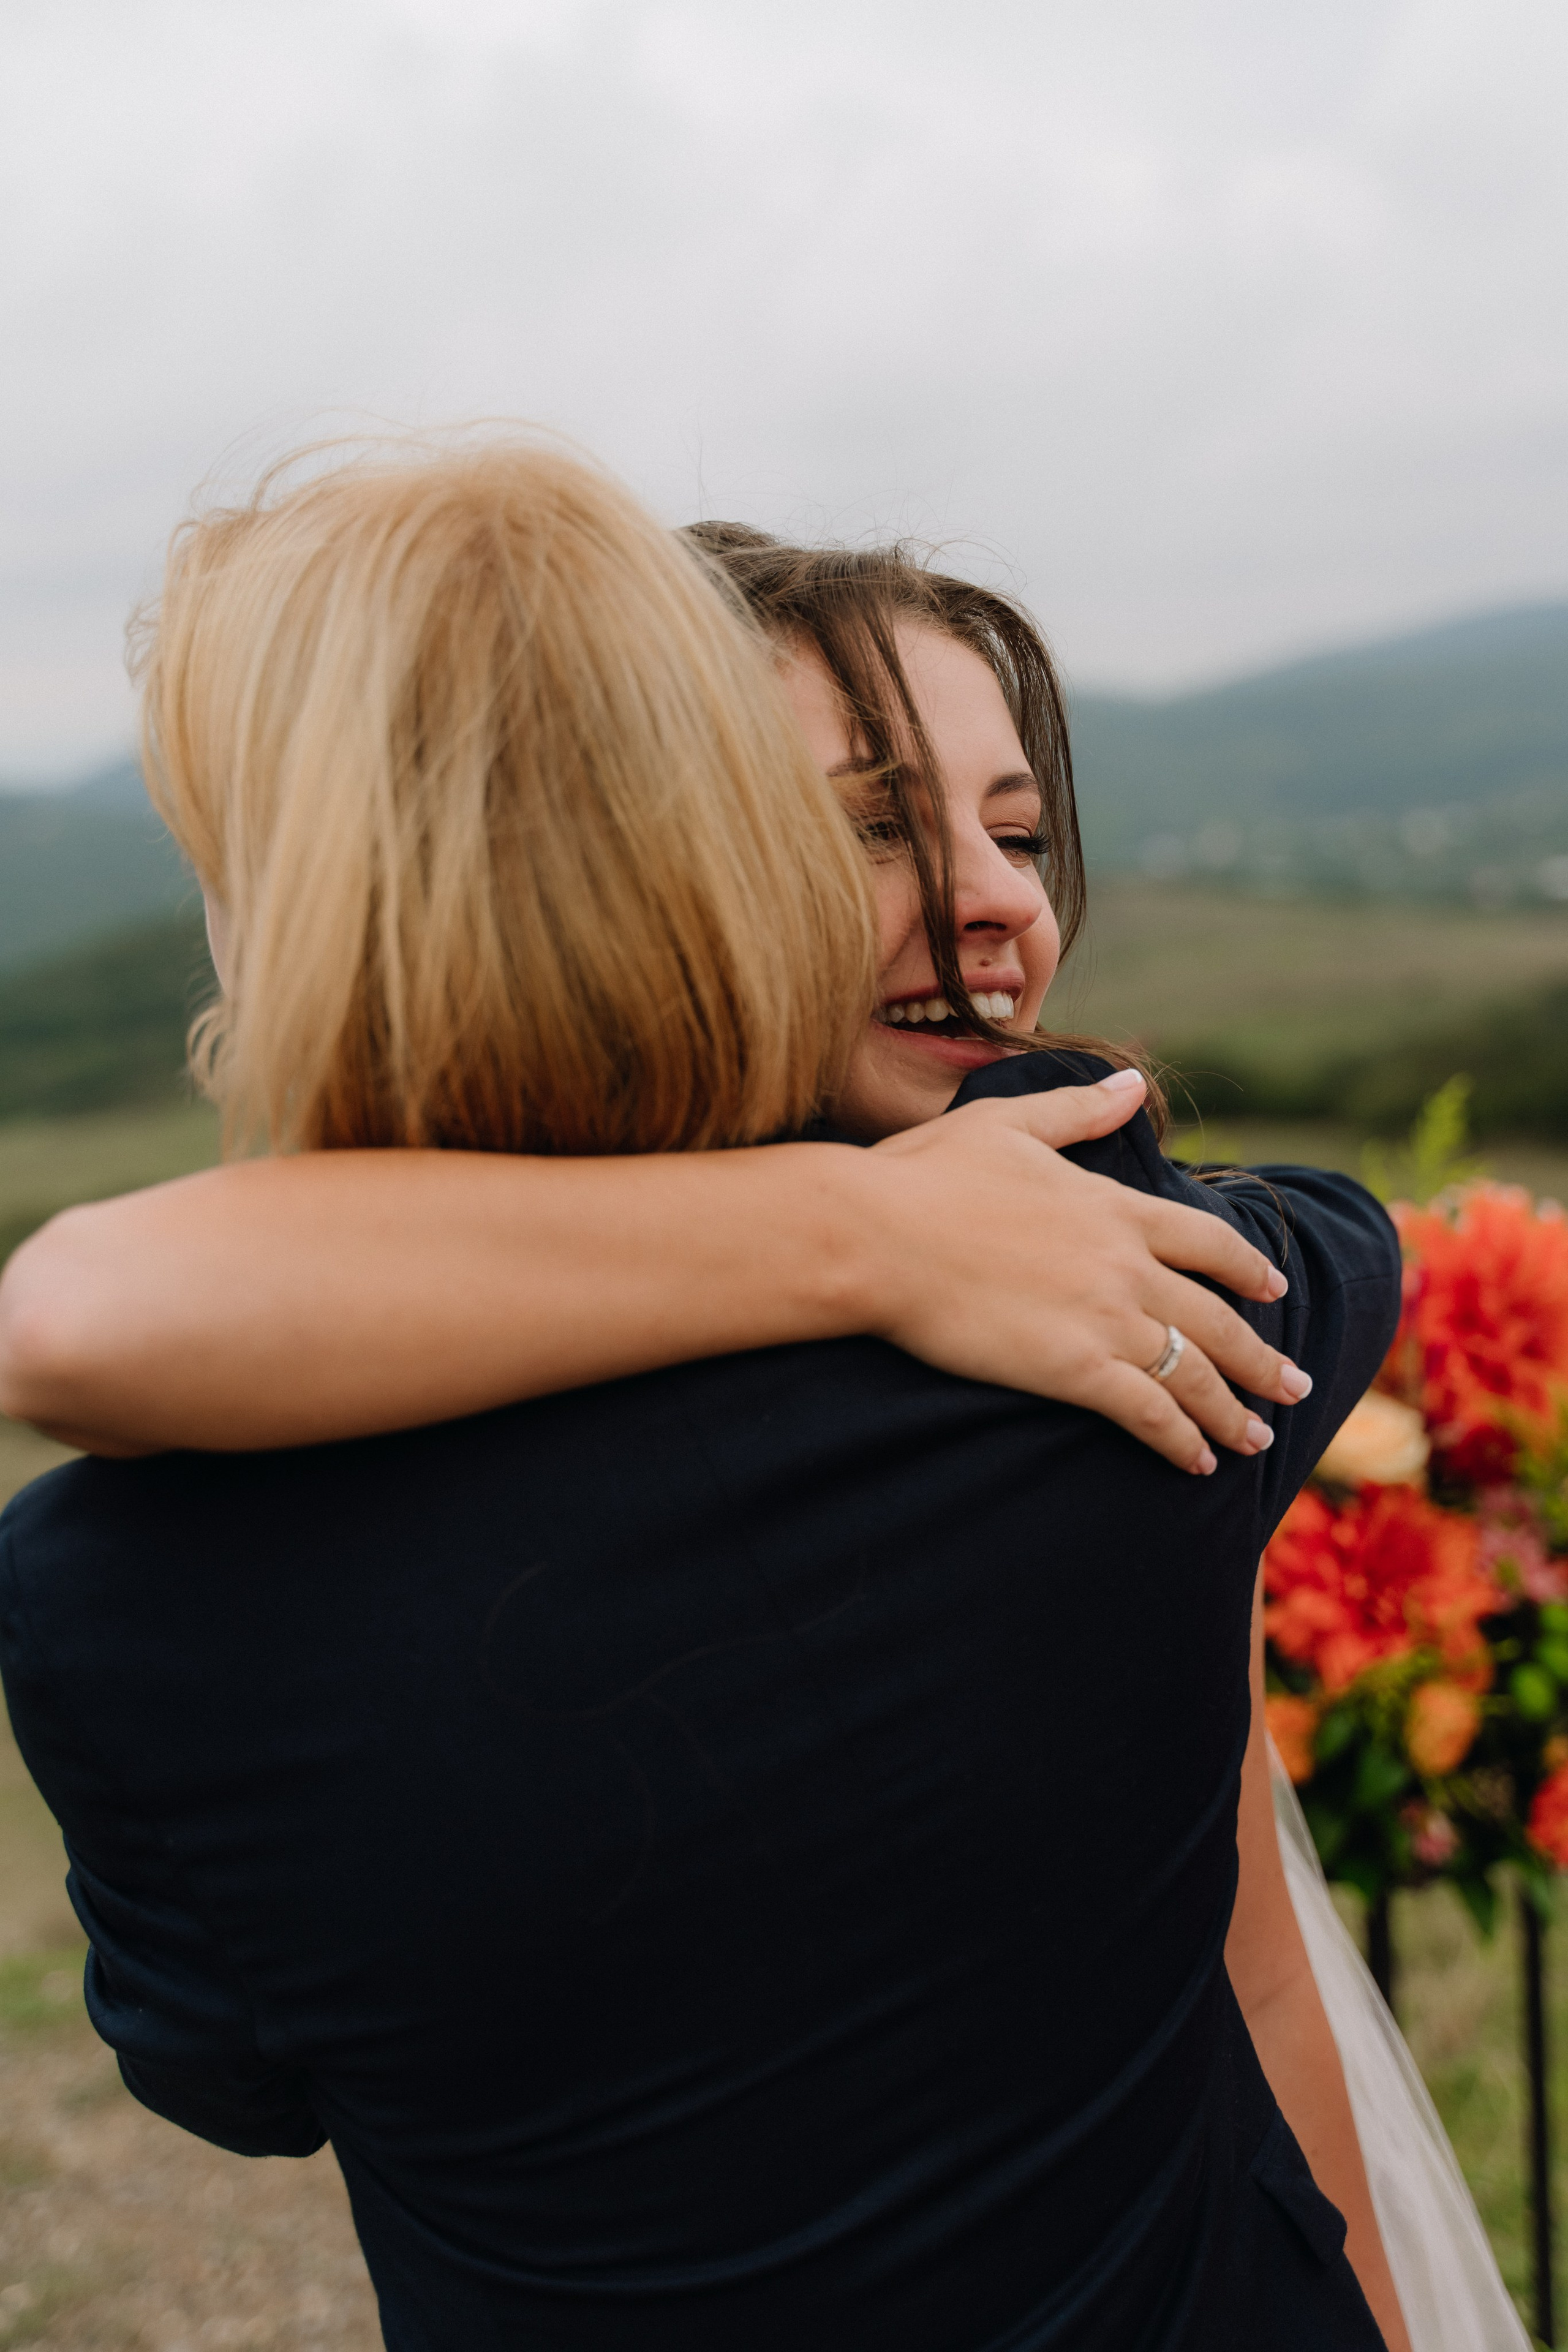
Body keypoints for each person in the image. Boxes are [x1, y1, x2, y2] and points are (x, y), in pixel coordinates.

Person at [1, 440, 1404, 2348]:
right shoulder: (1120, 1284)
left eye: (1019, 832)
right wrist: (870, 1232)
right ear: (682, 864)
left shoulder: (116, 1588)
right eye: (868, 827)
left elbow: (233, 2079)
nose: (993, 908)